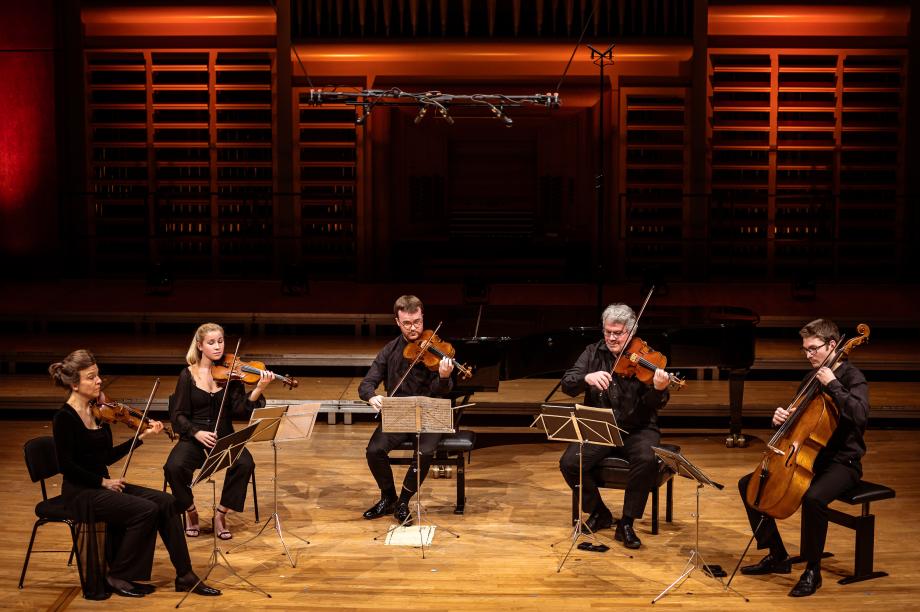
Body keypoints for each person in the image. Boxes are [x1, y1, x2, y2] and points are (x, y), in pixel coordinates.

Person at [50, 349, 220, 599]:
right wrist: (103, 482)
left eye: (98, 375)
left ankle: (185, 575)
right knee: (146, 510)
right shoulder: (64, 418)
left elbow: (107, 457)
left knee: (167, 502)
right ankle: (118, 574)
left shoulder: (98, 412)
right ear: (75, 385)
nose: (99, 381)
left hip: (103, 486)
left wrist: (141, 437)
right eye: (91, 377)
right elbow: (66, 466)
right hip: (81, 492)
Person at [738, 319, 869, 597]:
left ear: (832, 345)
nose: (808, 355)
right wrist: (781, 418)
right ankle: (777, 554)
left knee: (813, 499)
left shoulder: (851, 377)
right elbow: (800, 423)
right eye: (805, 350)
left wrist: (833, 384)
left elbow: (860, 415)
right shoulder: (810, 378)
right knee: (749, 484)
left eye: (813, 349)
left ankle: (812, 569)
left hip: (841, 463)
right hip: (806, 457)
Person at [558, 303, 670, 549]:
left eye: (617, 333)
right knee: (569, 463)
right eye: (607, 332)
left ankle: (627, 522)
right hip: (601, 427)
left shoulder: (646, 359)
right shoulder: (592, 352)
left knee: (646, 459)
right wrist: (586, 378)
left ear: (631, 331)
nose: (611, 338)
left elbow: (655, 404)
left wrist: (659, 389)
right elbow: (567, 383)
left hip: (638, 428)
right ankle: (599, 512)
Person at [163, 323, 274, 540]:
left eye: (220, 341)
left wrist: (259, 388)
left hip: (224, 435)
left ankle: (221, 514)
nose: (217, 347)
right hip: (195, 437)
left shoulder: (232, 375)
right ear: (200, 346)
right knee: (173, 467)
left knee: (245, 463)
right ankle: (190, 510)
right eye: (211, 342)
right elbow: (177, 414)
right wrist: (196, 432)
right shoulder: (187, 375)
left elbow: (240, 410)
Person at [358, 295, 455, 524]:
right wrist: (371, 396)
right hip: (399, 414)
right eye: (407, 323)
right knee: (374, 451)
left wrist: (443, 377)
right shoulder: (390, 350)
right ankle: (388, 497)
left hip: (430, 415)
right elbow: (366, 384)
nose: (413, 328)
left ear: (423, 318)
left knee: (424, 453)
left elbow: (444, 390)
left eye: (417, 322)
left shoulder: (436, 349)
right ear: (397, 322)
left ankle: (403, 502)